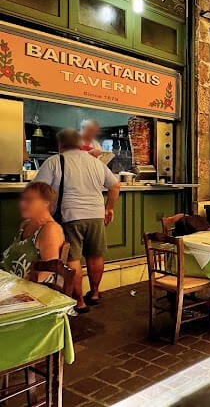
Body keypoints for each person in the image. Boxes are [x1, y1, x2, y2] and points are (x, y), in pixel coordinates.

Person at [34, 128, 121, 313]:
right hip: (96, 215)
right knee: (95, 255)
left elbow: (38, 189)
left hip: (70, 216)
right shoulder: (95, 162)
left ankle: (79, 301)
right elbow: (115, 185)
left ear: (60, 145)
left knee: (73, 259)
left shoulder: (54, 161)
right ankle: (95, 293)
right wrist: (109, 208)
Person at [1, 183, 64, 283]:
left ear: (45, 203)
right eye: (23, 199)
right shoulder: (25, 225)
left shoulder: (50, 229)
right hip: (8, 283)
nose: (22, 203)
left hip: (31, 291)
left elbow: (49, 269)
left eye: (29, 200)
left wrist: (20, 287)